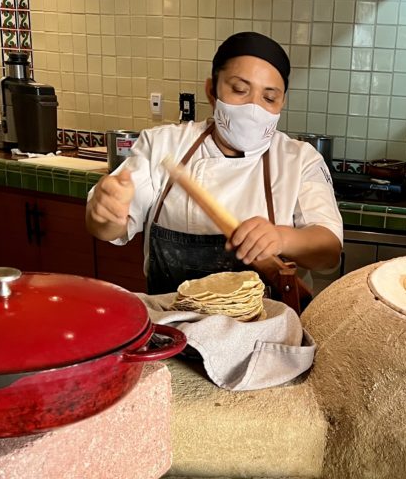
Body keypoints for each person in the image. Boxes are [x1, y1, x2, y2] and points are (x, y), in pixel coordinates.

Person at [86, 32, 343, 294]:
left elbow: (329, 253)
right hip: (173, 324)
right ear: (211, 91)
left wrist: (282, 238)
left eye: (269, 98)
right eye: (240, 90)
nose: (253, 109)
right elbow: (108, 228)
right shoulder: (163, 145)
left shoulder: (299, 159)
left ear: (282, 102)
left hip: (266, 330)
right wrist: (106, 213)